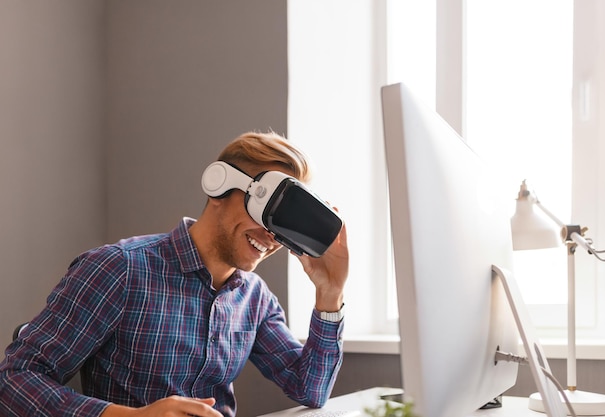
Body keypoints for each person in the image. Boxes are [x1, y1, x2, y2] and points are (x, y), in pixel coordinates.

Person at [0, 131, 349, 417]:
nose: (273, 236)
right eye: (268, 211)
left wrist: (330, 292)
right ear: (218, 186)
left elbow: (310, 389)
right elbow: (15, 379)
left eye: (285, 223)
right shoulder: (118, 269)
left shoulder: (254, 298)